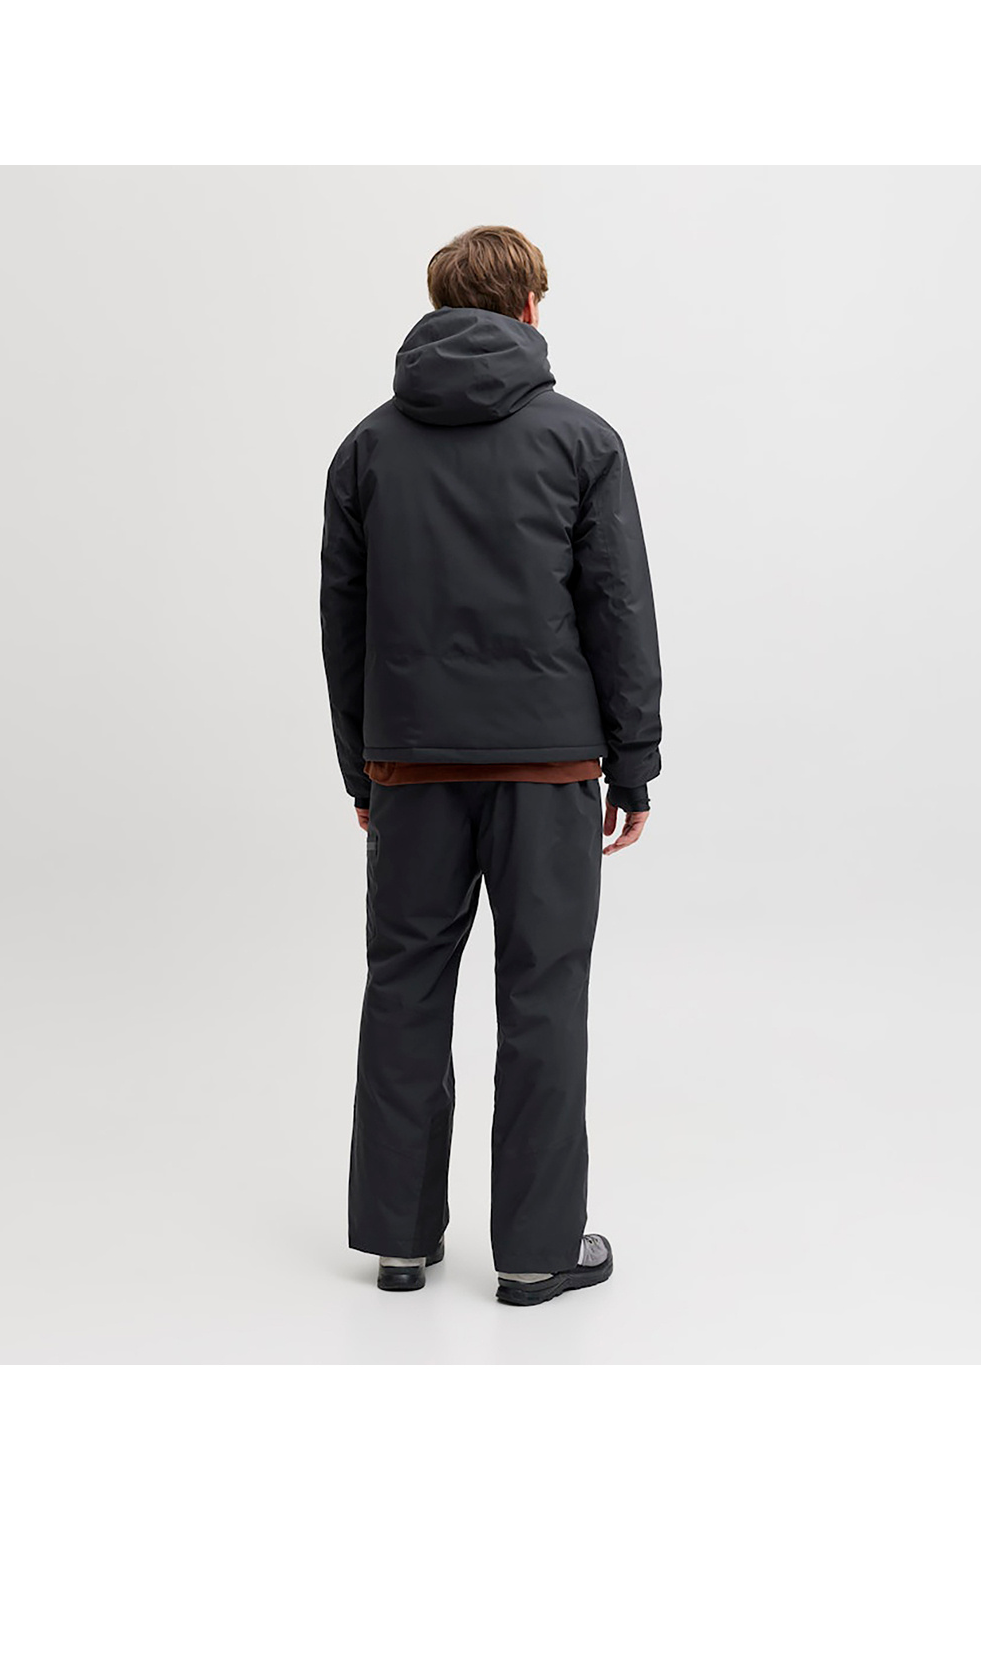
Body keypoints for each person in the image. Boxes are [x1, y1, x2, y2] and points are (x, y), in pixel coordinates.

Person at [320, 225, 662, 1305]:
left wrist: (362, 770)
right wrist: (634, 764)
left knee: (404, 991)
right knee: (544, 997)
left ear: (440, 305)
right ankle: (536, 1252)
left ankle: (398, 1243)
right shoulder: (582, 441)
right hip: (547, 769)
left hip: (412, 767)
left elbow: (343, 625)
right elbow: (618, 609)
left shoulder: (367, 449)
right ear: (528, 307)